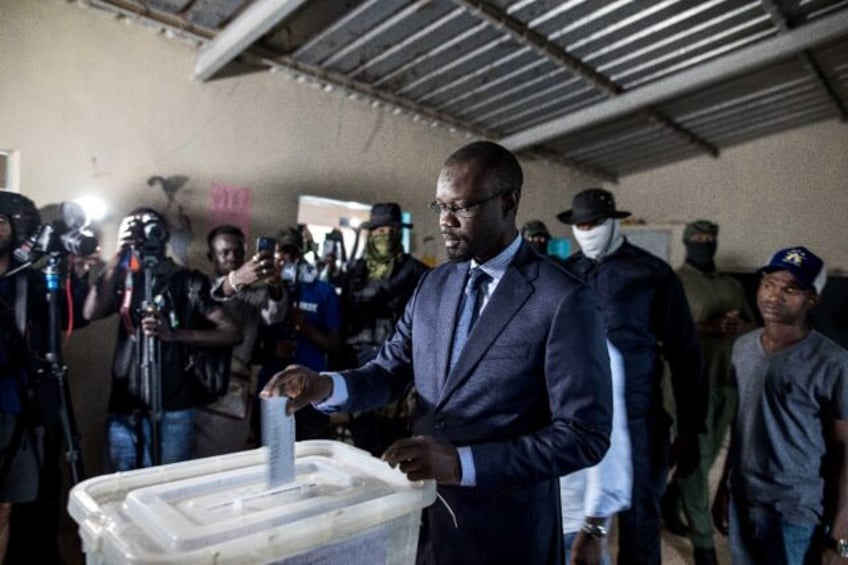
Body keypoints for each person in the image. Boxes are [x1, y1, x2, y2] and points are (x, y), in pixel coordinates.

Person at [263, 141, 613, 564]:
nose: (445, 222)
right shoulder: (434, 286)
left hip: (507, 534)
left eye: (461, 208)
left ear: (508, 202)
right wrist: (323, 385)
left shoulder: (562, 300)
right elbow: (388, 372)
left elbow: (584, 435)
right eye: (439, 206)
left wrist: (463, 463)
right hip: (427, 523)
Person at [558, 188, 705, 565]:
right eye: (581, 225)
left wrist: (691, 427)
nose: (587, 230)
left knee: (640, 519)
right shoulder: (565, 273)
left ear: (613, 223)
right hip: (579, 417)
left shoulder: (651, 273)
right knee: (580, 523)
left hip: (638, 416)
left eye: (595, 223)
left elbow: (685, 352)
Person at [712, 246, 848, 564]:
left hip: (796, 510)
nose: (774, 296)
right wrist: (723, 486)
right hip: (744, 499)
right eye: (769, 283)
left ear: (812, 300)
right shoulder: (744, 348)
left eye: (791, 289)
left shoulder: (834, 362)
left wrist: (842, 533)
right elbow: (742, 425)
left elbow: (845, 448)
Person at [84, 207, 241, 471]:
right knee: (117, 494)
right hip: (126, 408)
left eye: (153, 229)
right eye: (138, 230)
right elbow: (90, 311)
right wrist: (121, 253)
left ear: (165, 235)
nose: (147, 236)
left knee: (162, 491)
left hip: (175, 409)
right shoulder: (124, 279)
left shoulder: (189, 282)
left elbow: (232, 332)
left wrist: (175, 335)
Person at [0, 193, 90, 563]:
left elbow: (74, 318)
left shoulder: (36, 281)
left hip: (28, 407)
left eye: (2, 220)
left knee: (21, 503)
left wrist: (77, 277)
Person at [662, 219, 755, 565]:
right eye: (698, 238)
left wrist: (737, 326)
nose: (705, 243)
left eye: (710, 238)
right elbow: (663, 329)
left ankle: (670, 499)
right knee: (697, 463)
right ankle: (703, 545)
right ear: (687, 242)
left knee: (709, 455)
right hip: (689, 385)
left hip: (726, 381)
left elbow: (754, 325)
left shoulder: (730, 284)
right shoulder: (674, 281)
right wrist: (710, 327)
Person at [340, 202, 428, 456]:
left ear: (399, 233)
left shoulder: (418, 273)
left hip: (399, 370)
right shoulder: (354, 273)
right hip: (358, 367)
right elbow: (343, 323)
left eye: (391, 230)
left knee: (395, 449)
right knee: (362, 448)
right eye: (379, 230)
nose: (385, 235)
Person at [192, 225, 287, 457]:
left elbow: (275, 314)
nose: (232, 257)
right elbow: (215, 293)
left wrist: (275, 283)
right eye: (225, 252)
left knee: (229, 456)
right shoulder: (198, 287)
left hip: (235, 387)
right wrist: (235, 281)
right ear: (211, 257)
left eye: (237, 252)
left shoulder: (255, 295)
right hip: (199, 385)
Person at [254, 226, 342, 442]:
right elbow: (246, 343)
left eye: (294, 253)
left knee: (310, 456)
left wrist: (304, 326)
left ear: (303, 255)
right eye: (283, 253)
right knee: (274, 461)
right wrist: (272, 349)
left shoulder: (323, 291)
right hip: (272, 389)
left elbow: (335, 344)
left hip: (312, 392)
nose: (287, 259)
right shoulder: (261, 291)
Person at [560, 342, 632, 565]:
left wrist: (594, 528)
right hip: (541, 519)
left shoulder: (591, 348)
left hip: (573, 525)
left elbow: (610, 449)